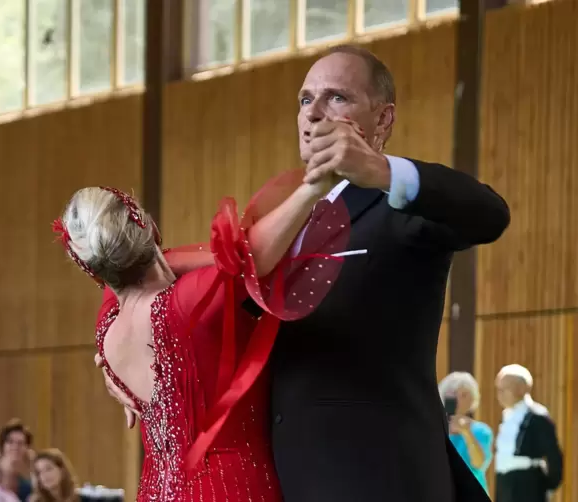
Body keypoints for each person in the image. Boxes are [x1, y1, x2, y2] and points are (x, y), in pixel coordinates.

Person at [99, 44, 510, 502]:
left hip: (380, 477)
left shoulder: (400, 209)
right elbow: (162, 275)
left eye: (337, 98)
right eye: (305, 99)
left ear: (383, 120)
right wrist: (114, 348)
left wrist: (382, 172)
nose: (313, 113)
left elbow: (489, 214)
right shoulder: (273, 221)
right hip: (279, 480)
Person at [57, 165, 345, 500]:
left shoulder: (106, 327)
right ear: (145, 225)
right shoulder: (189, 302)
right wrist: (313, 186)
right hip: (228, 486)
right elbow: (251, 256)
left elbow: (139, 274)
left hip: (154, 490)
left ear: (91, 267)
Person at [494, 364, 563, 502]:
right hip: (505, 484)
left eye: (504, 389)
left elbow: (554, 455)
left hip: (527, 484)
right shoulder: (506, 416)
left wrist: (546, 486)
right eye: (498, 389)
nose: (499, 394)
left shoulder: (537, 416)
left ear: (522, 388)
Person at [439, 372, 493, 492]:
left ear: (473, 398)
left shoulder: (481, 431)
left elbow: (479, 464)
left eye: (464, 395)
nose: (458, 399)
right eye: (453, 394)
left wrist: (467, 433)